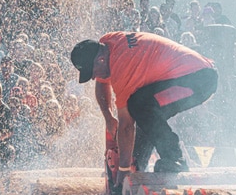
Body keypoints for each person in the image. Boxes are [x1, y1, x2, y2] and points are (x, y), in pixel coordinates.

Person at [71, 31, 218, 176]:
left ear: (101, 60)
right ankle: (138, 164)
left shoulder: (122, 66)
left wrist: (123, 170)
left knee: (138, 106)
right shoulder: (107, 43)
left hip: (199, 80)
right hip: (190, 73)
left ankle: (175, 159)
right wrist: (108, 117)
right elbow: (101, 85)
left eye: (93, 72)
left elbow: (126, 126)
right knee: (143, 112)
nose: (93, 77)